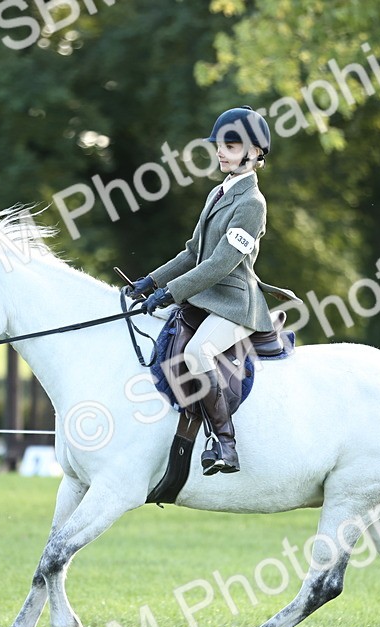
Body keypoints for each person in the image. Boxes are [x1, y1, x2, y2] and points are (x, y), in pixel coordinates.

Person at [128, 106, 294, 476]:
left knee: (196, 354)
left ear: (254, 153)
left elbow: (221, 263)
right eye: (220, 144)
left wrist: (171, 291)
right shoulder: (218, 193)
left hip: (236, 305)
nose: (221, 151)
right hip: (206, 299)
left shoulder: (252, 204)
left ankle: (225, 443)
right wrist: (151, 282)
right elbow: (192, 252)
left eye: (231, 146)